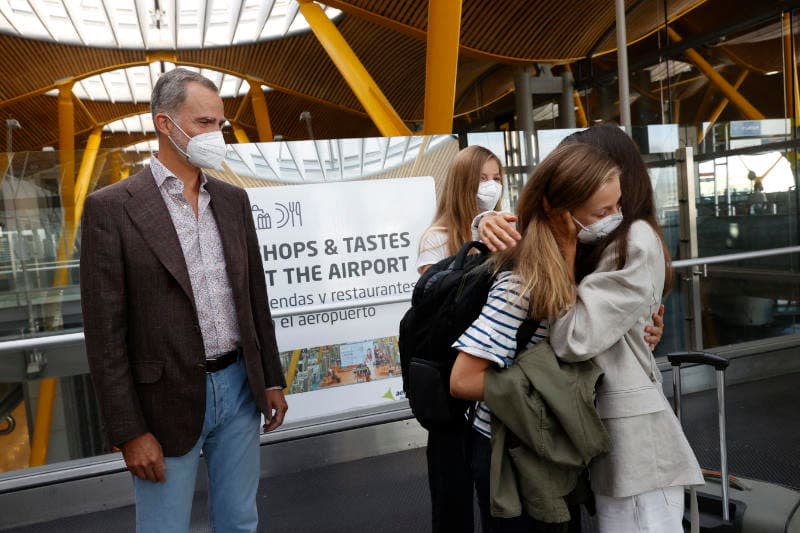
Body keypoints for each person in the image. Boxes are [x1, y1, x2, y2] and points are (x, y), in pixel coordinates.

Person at [80, 68, 288, 533]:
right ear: (164, 124)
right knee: (164, 527)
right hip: (162, 400)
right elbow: (105, 334)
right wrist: (129, 431)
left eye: (220, 124)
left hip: (238, 387)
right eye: (203, 123)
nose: (216, 135)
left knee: (239, 522)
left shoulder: (233, 201)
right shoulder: (112, 208)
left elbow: (255, 297)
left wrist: (269, 378)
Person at [450, 142, 623, 532]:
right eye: (602, 212)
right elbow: (463, 380)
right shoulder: (522, 283)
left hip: (542, 441)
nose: (614, 220)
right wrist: (548, 389)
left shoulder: (580, 261)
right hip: (508, 448)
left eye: (617, 207)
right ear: (556, 208)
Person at [548, 126, 704, 532]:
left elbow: (575, 337)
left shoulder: (633, 239)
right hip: (615, 435)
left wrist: (565, 251)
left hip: (634, 443)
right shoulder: (606, 240)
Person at [415, 144, 505, 532]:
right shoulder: (436, 239)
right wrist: (475, 240)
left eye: (496, 178)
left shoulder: (508, 230)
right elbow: (438, 309)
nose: (491, 187)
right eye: (481, 179)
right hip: (450, 379)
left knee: (498, 491)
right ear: (462, 185)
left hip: (492, 375)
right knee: (452, 495)